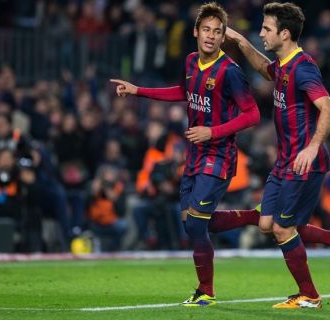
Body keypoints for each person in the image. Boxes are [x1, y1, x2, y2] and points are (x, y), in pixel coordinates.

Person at [111, 2, 260, 307]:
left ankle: (206, 291)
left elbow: (253, 114)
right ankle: (252, 217)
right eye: (206, 29)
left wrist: (212, 132)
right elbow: (182, 91)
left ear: (222, 38)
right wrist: (138, 90)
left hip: (218, 155)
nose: (211, 36)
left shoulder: (230, 72)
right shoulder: (192, 61)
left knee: (195, 223)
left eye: (218, 32)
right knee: (193, 223)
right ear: (196, 31)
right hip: (193, 156)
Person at [216, 2, 330, 309]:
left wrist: (311, 147)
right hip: (285, 161)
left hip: (304, 163)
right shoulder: (283, 64)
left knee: (282, 228)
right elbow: (265, 70)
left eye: (266, 29)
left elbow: (329, 110)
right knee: (267, 224)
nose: (261, 33)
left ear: (285, 33)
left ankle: (310, 295)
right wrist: (241, 42)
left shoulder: (303, 68)